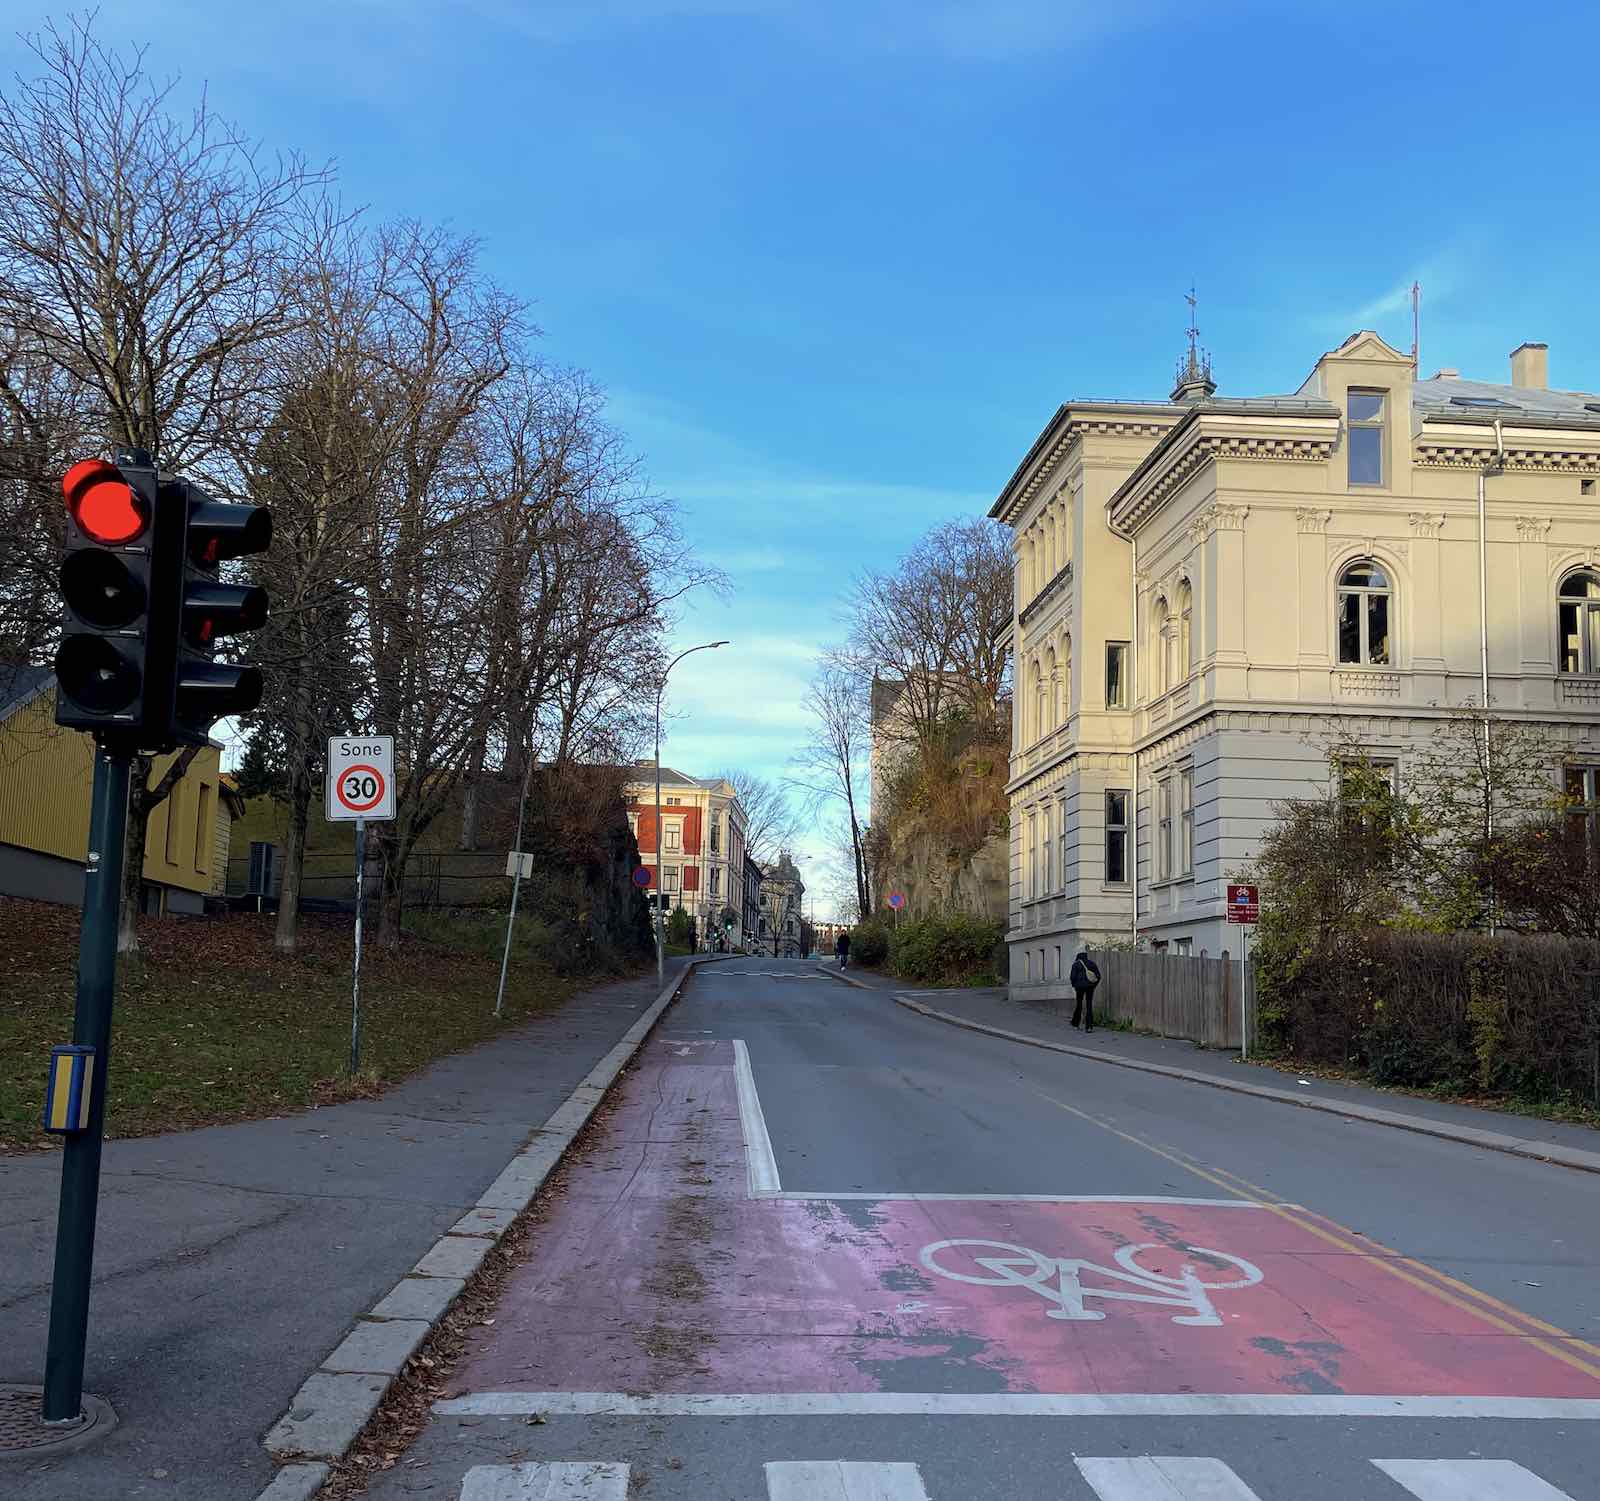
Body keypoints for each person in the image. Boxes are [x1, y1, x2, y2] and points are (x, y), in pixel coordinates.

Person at [1069, 947, 1101, 1032]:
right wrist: (1094, 985)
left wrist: (1074, 985)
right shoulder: (1092, 964)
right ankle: (1089, 1026)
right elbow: (1098, 976)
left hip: (1079, 987)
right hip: (1090, 987)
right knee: (1089, 1005)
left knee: (1079, 1004)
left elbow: (1072, 977)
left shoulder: (1076, 964)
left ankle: (1076, 1023)